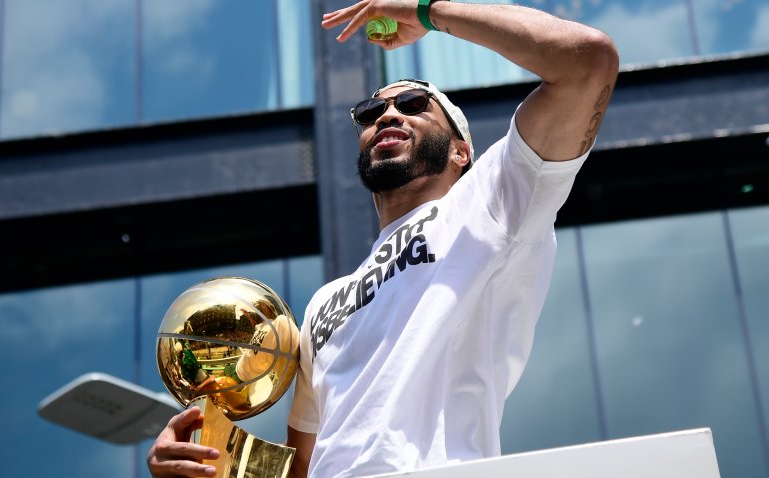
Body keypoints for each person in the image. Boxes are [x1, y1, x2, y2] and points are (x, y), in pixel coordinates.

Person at [147, 0, 619, 476]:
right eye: (372, 110)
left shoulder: (492, 201)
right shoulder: (325, 303)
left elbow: (587, 60)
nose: (388, 114)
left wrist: (429, 11)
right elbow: (307, 466)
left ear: (462, 150)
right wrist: (208, 462)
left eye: (414, 104)